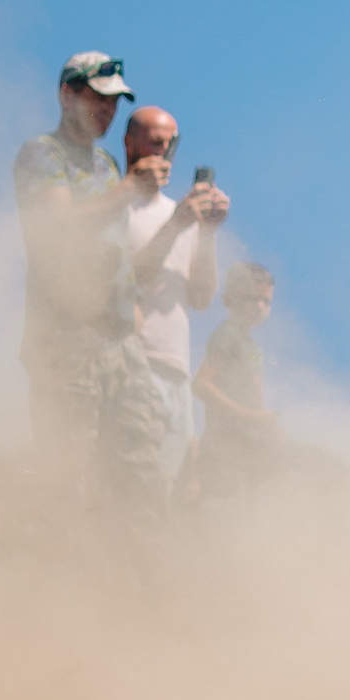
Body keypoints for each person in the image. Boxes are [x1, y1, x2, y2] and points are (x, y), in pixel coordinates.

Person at [12, 52, 166, 514]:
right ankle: (61, 577)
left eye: (115, 102)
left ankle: (132, 575)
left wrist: (132, 303)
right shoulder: (43, 153)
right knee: (67, 475)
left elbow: (112, 247)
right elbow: (57, 229)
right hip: (67, 340)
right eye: (99, 98)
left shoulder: (104, 164)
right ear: (67, 94)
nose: (108, 110)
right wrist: (127, 192)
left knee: (141, 468)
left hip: (119, 341)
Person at [121, 106, 229, 503]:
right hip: (135, 366)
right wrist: (177, 226)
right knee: (136, 487)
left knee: (173, 492)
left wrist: (207, 233)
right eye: (154, 140)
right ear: (129, 142)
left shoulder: (177, 214)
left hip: (176, 372)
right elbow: (123, 281)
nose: (163, 151)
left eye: (170, 143)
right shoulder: (116, 209)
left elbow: (200, 297)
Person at [194, 262, 276, 499]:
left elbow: (257, 396)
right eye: (254, 299)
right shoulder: (227, 335)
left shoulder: (252, 347)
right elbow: (201, 385)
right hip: (222, 446)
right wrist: (247, 416)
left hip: (245, 446)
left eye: (267, 302)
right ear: (232, 299)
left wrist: (264, 424)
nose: (260, 307)